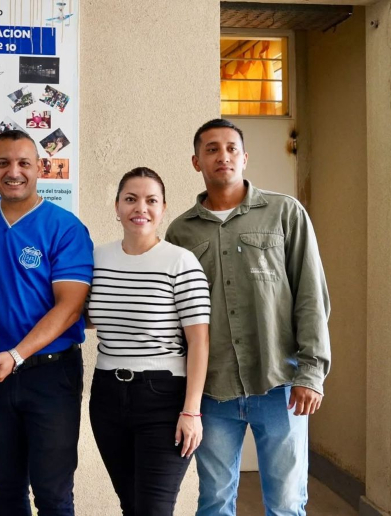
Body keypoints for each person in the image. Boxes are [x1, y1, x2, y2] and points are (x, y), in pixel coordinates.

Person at [165, 118, 331, 516]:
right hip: (213, 390)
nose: (222, 156)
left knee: (287, 504)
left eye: (231, 148)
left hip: (280, 384)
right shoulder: (181, 232)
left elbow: (311, 295)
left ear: (244, 158)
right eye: (211, 149)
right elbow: (173, 316)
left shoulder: (284, 213)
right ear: (196, 162)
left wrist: (312, 373)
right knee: (214, 502)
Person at [0, 130, 94, 516]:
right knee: (6, 489)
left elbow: (70, 308)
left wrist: (16, 355)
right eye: (3, 163)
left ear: (41, 168)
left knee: (52, 493)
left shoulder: (65, 227)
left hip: (51, 376)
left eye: (23, 163)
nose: (13, 172)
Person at [86, 167, 210, 515]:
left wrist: (191, 411)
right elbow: (80, 314)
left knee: (154, 509)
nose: (140, 208)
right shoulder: (96, 259)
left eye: (151, 200)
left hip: (163, 398)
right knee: (131, 505)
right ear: (117, 206)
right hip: (107, 395)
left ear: (163, 209)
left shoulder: (180, 262)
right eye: (131, 199)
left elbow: (199, 342)